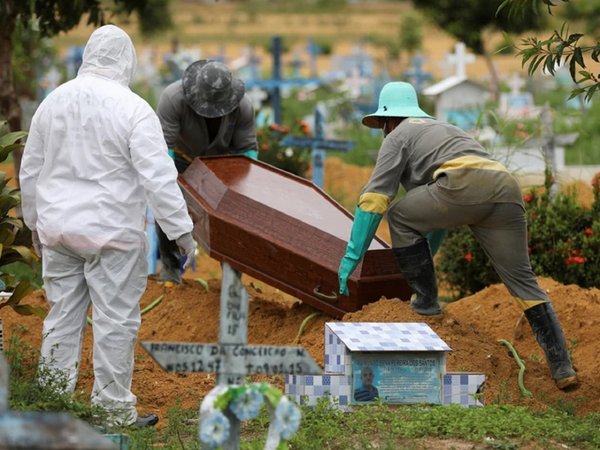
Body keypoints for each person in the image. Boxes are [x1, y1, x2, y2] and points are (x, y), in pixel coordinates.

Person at [337, 81, 578, 391]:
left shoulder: (397, 136)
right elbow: (432, 222)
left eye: (383, 124)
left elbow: (374, 200)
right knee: (524, 284)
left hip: (462, 185)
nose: (384, 130)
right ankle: (562, 367)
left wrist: (351, 258)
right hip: (504, 187)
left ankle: (425, 305)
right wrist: (424, 259)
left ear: (389, 119)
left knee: (398, 215)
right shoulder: (442, 130)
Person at [19, 25, 196, 427]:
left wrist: (33, 221)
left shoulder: (53, 102)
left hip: (59, 232)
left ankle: (51, 409)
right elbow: (158, 177)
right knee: (115, 322)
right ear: (126, 61)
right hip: (112, 236)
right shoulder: (133, 109)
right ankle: (113, 413)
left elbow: (30, 169)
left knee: (61, 317)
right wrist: (182, 232)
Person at [155, 59, 258, 285]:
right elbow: (164, 149)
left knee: (231, 218)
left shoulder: (243, 106)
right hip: (181, 160)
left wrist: (245, 188)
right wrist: (170, 186)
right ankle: (171, 269)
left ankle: (232, 279)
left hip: (223, 164)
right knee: (166, 203)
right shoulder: (173, 99)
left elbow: (247, 150)